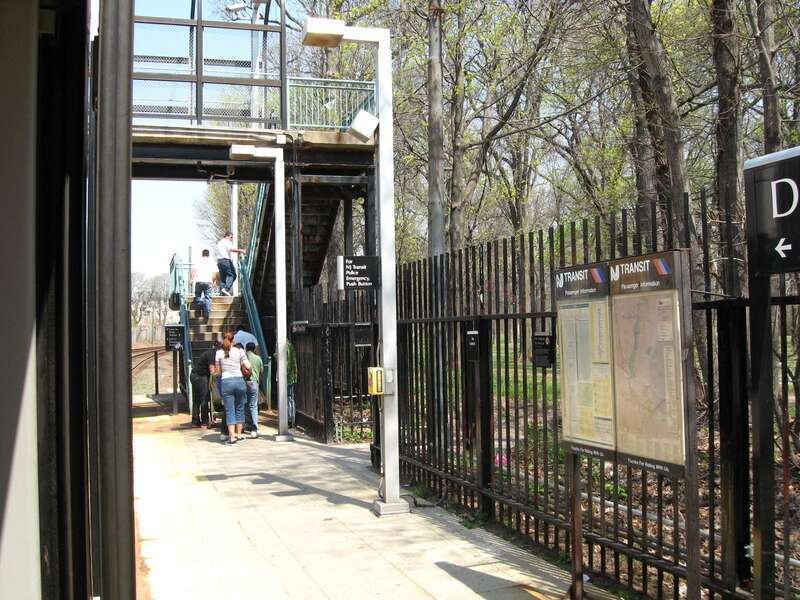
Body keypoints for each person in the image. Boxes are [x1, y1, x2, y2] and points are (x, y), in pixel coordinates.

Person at [215, 331, 251, 444]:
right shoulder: (239, 351)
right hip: (239, 381)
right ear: (233, 340)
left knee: (229, 410)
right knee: (240, 408)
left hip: (226, 382)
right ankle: (239, 435)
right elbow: (248, 366)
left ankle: (232, 437)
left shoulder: (219, 353)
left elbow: (218, 372)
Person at [190, 341, 218, 427]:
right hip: (200, 377)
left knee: (196, 399)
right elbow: (212, 371)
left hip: (194, 375)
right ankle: (205, 422)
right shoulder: (212, 354)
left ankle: (195, 421)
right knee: (204, 398)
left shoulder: (209, 352)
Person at [216, 231, 246, 296]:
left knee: (223, 278)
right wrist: (241, 250)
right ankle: (226, 289)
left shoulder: (219, 242)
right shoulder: (227, 242)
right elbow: (231, 249)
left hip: (219, 261)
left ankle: (222, 294)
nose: (231, 239)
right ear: (227, 236)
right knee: (232, 275)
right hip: (226, 260)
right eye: (231, 237)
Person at [244, 342, 264, 438]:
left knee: (245, 404)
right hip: (254, 383)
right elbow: (261, 371)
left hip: (244, 383)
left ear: (246, 349)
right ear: (254, 349)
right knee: (253, 405)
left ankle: (246, 424)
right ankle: (254, 427)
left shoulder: (243, 357)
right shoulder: (258, 358)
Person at [191, 249, 215, 320]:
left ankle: (201, 302)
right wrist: (214, 282)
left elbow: (194, 271)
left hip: (199, 281)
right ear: (208, 254)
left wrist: (192, 279)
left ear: (202, 254)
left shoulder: (198, 261)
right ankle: (206, 313)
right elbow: (214, 273)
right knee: (208, 297)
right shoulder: (211, 262)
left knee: (197, 296)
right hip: (208, 282)